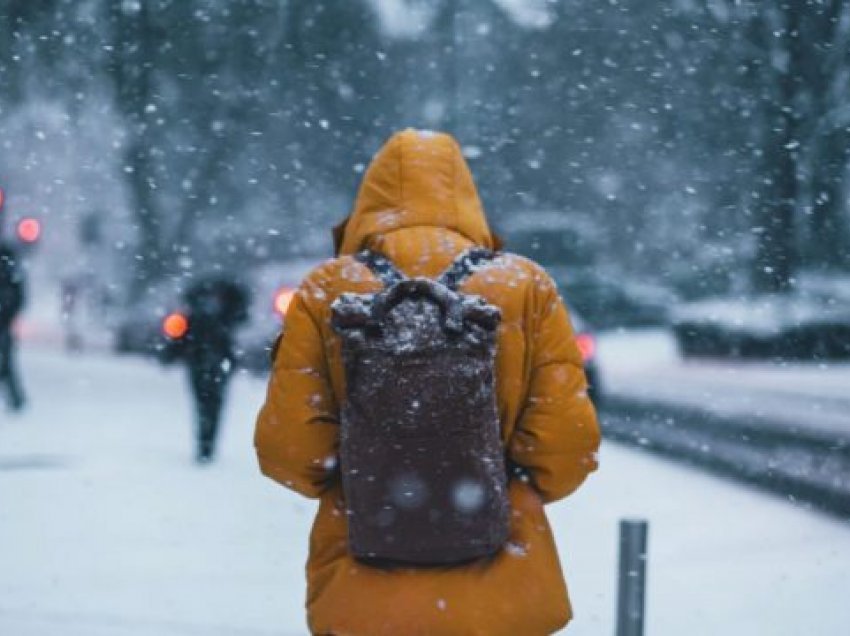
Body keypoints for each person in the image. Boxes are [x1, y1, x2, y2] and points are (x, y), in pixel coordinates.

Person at [254, 129, 601, 635]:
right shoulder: (524, 286)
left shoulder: (327, 289)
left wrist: (369, 478)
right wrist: (494, 487)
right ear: (466, 197)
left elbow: (289, 452)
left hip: (361, 593)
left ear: (368, 202)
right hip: (502, 595)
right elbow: (567, 449)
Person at [163, 276, 249, 463]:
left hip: (201, 362)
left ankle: (205, 444)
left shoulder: (197, 314)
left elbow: (179, 338)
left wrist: (171, 355)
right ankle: (207, 444)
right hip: (214, 363)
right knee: (212, 404)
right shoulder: (224, 314)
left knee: (204, 404)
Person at [0, 240, 26, 411]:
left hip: (4, 321)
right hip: (5, 322)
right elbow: (19, 297)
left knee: (7, 363)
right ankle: (16, 399)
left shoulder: (10, 269)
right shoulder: (12, 269)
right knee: (7, 362)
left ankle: (16, 400)